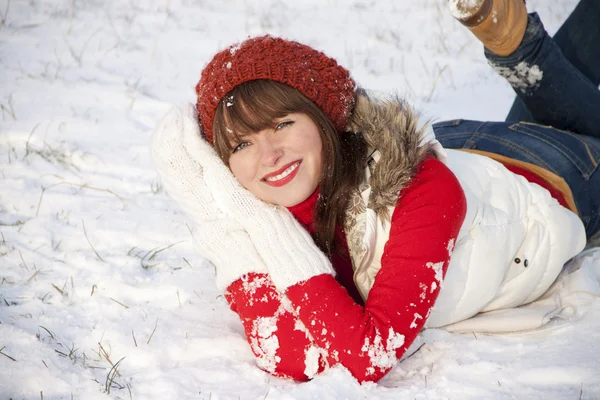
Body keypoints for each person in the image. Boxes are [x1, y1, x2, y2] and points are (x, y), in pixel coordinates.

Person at [151, 0, 600, 383]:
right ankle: (522, 49)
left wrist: (262, 232)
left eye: (282, 124)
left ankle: (525, 50)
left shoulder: (419, 191)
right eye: (242, 144)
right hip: (464, 150)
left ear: (322, 119)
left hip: (554, 176)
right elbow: (289, 352)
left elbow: (368, 357)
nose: (267, 155)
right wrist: (221, 219)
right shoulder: (264, 204)